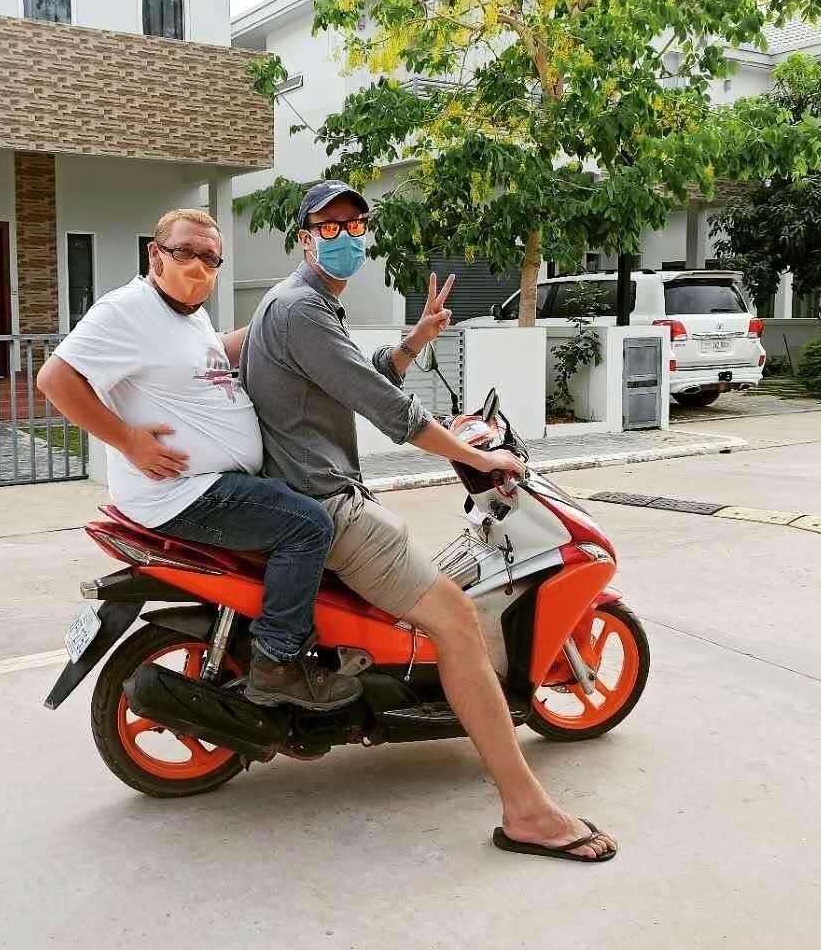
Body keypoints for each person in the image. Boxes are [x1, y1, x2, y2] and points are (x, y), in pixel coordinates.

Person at [239, 181, 617, 862]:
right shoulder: (302, 308)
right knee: (457, 622)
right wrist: (479, 455)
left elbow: (357, 377)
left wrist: (414, 342)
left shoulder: (305, 305)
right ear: (303, 238)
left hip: (312, 492)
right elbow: (394, 414)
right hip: (329, 504)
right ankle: (527, 810)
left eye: (357, 224)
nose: (347, 236)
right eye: (330, 227)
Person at [37, 208, 361, 712]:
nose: (198, 266)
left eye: (210, 258)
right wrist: (127, 440)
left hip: (208, 484)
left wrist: (279, 319)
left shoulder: (188, 316)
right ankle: (278, 661)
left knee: (297, 511)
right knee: (307, 525)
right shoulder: (129, 309)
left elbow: (214, 355)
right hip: (184, 492)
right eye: (184, 252)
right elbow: (54, 379)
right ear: (155, 254)